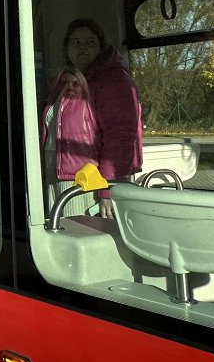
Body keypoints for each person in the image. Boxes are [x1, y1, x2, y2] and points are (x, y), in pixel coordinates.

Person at [41, 19, 143, 218]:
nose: (83, 48)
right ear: (67, 49)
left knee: (76, 234)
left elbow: (120, 136)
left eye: (90, 42)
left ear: (101, 46)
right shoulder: (65, 82)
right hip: (58, 173)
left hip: (89, 180)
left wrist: (109, 187)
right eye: (76, 42)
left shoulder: (113, 80)